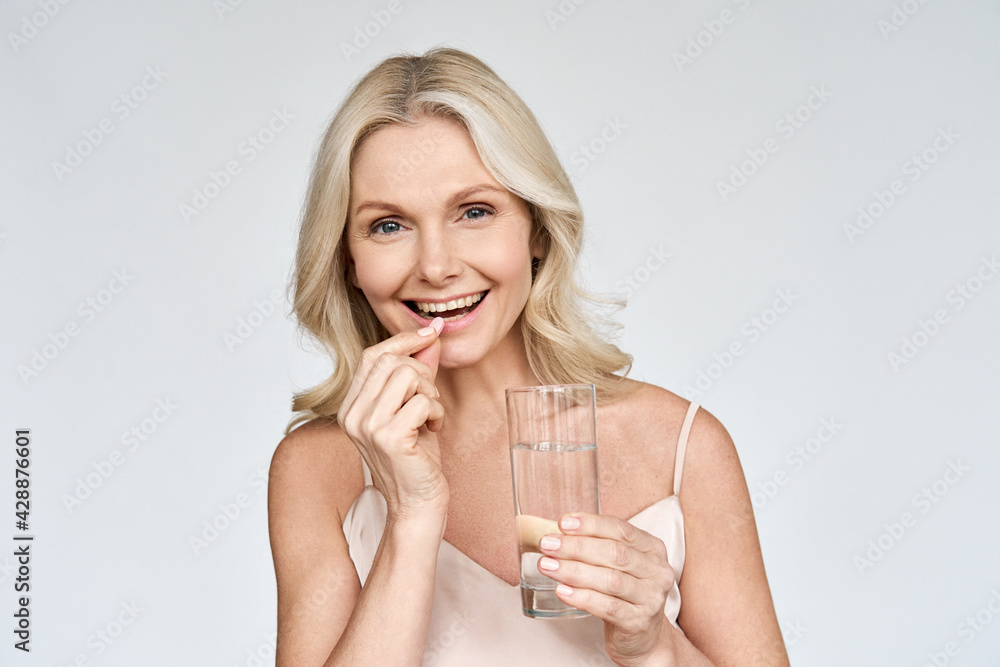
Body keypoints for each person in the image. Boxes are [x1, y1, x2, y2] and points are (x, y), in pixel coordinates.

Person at [268, 46, 789, 666]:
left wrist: (653, 643)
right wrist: (411, 516)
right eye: (388, 225)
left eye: (475, 211)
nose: (436, 267)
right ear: (347, 260)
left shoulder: (681, 448)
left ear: (537, 230)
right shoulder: (319, 470)